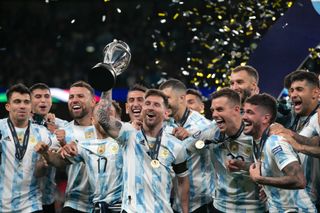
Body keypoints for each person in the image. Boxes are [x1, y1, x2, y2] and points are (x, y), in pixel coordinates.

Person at [97, 88, 190, 213]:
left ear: (166, 113)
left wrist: (184, 210)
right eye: (147, 103)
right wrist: (106, 86)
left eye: (156, 104)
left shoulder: (176, 146)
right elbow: (103, 118)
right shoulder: (128, 134)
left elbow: (183, 180)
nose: (150, 107)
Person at [35, 104, 123, 213]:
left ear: (118, 120)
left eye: (109, 115)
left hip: (121, 206)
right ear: (93, 120)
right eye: (100, 115)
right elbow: (60, 161)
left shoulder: (127, 143)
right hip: (95, 207)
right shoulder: (85, 146)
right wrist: (45, 153)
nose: (104, 119)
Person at [243, 93, 316, 212]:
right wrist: (268, 188)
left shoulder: (275, 141)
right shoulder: (257, 140)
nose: (244, 117)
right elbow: (274, 171)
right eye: (244, 111)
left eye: (250, 112)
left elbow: (298, 180)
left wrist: (260, 179)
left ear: (265, 118)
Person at [160, 79, 214, 213]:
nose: (164, 103)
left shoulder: (203, 125)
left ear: (181, 98)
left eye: (167, 98)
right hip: (174, 203)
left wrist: (192, 136)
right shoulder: (164, 125)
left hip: (202, 203)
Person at [208, 88, 265, 213]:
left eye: (220, 109)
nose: (214, 114)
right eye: (212, 110)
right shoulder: (210, 131)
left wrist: (268, 186)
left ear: (237, 110)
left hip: (254, 208)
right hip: (220, 206)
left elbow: (273, 168)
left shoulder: (256, 133)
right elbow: (184, 149)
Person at [0, 83, 52, 212]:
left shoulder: (42, 133)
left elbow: (40, 173)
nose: (22, 106)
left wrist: (44, 158)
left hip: (31, 205)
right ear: (8, 106)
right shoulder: (0, 128)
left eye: (26, 102)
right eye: (17, 102)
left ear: (31, 107)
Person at [30, 82, 68, 213]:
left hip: (46, 200)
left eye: (46, 96)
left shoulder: (61, 126)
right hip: (18, 200)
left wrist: (55, 133)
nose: (43, 100)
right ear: (29, 101)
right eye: (38, 96)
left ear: (51, 101)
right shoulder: (20, 125)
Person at [60, 81, 97, 213]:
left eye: (80, 96)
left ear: (93, 102)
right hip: (74, 204)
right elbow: (54, 160)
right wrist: (47, 154)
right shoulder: (64, 131)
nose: (74, 100)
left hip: (105, 204)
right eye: (71, 97)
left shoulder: (107, 131)